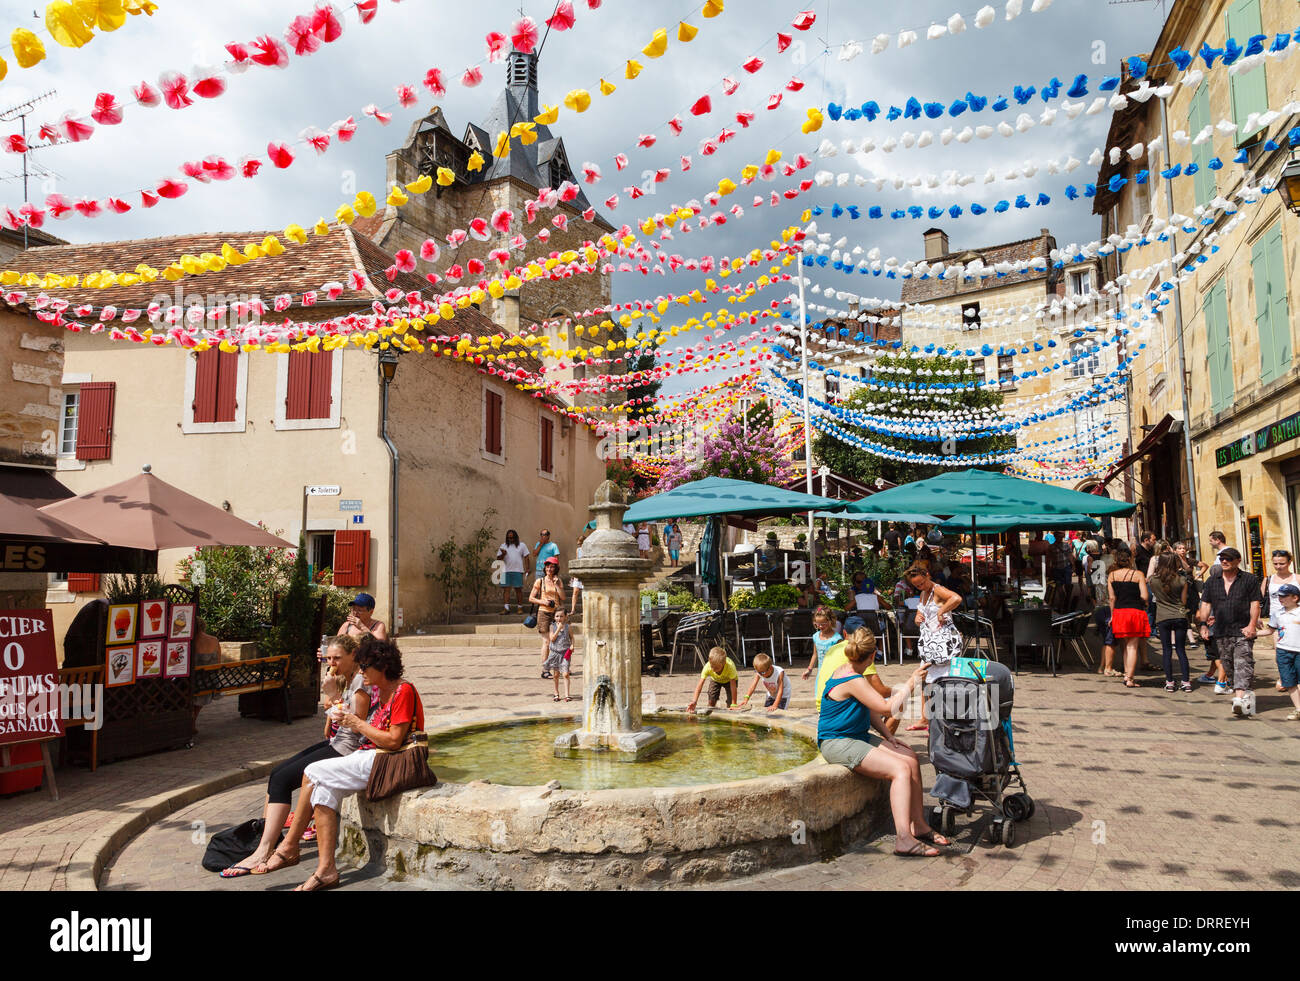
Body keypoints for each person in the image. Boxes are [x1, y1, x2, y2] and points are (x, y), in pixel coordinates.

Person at [220, 634, 373, 878]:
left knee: (283, 780)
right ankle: (266, 839)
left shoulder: (360, 684)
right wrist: (332, 698)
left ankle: (265, 850)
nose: (332, 662)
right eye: (329, 657)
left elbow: (357, 725)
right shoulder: (347, 678)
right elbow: (338, 718)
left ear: (353, 656)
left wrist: (331, 697)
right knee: (277, 774)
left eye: (337, 658)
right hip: (337, 741)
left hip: (347, 749)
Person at [298, 640, 425, 890]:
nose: (361, 671)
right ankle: (326, 870)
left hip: (389, 760)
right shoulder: (381, 690)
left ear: (383, 666)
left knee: (312, 771)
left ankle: (289, 847)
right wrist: (345, 714)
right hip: (371, 755)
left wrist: (356, 724)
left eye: (365, 666)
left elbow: (393, 740)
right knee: (324, 789)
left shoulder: (403, 691)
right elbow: (370, 732)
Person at [817, 628, 942, 856]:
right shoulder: (852, 679)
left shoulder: (851, 671)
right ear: (873, 655)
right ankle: (904, 838)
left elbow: (871, 708)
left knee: (910, 758)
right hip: (837, 742)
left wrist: (889, 736)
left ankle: (919, 825)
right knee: (900, 769)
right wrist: (911, 682)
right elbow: (885, 707)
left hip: (857, 736)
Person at [1197, 548, 1261, 717]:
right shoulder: (1212, 581)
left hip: (1242, 629)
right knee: (1228, 665)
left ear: (1238, 560)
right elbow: (1206, 604)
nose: (1224, 561)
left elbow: (1255, 604)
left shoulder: (1249, 579)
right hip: (1221, 630)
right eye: (1222, 559)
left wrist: (1252, 625)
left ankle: (1239, 698)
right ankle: (1245, 694)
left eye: (1228, 559)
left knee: (1243, 662)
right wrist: (1203, 624)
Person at [906, 563, 963, 731]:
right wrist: (918, 617)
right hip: (930, 644)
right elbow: (920, 612)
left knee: (942, 682)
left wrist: (941, 611)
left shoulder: (937, 590)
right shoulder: (924, 593)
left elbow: (956, 598)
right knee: (926, 681)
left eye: (921, 583)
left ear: (927, 575)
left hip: (941, 644)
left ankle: (942, 721)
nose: (919, 587)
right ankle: (925, 718)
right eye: (916, 585)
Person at [1107, 545, 1149, 688]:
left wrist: (1112, 616)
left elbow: (1111, 598)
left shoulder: (1112, 576)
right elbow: (1144, 596)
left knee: (1125, 646)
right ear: (1130, 559)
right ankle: (1130, 678)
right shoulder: (1138, 574)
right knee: (1132, 647)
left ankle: (1126, 674)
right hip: (1135, 612)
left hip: (1119, 612)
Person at [1150, 552, 1191, 692]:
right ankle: (1186, 682)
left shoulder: (1153, 581)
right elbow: (1184, 601)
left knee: (1166, 650)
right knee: (1181, 650)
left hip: (1162, 617)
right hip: (1180, 615)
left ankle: (1170, 682)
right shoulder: (1182, 580)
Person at [528, 558, 566, 677]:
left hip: (557, 613)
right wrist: (543, 602)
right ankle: (545, 669)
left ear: (556, 568)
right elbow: (531, 598)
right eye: (547, 567)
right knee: (546, 641)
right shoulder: (540, 581)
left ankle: (561, 666)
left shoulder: (558, 581)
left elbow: (563, 597)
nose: (549, 569)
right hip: (543, 612)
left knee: (559, 640)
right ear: (545, 568)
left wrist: (556, 585)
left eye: (552, 567)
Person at [1271, 583, 1300, 721]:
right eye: (1279, 596)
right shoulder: (1277, 614)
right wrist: (1251, 632)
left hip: (1299, 651)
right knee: (1289, 682)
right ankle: (1298, 709)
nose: (1281, 599)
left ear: (1295, 598)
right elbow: (1271, 630)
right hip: (1283, 651)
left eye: (1284, 596)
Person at [191, 617, 222, 725]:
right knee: (201, 692)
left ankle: (191, 721)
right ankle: (192, 721)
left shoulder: (191, 642)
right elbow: (218, 663)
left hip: (194, 682)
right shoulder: (214, 640)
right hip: (211, 681)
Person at [687, 647, 739, 711]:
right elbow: (699, 686)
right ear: (709, 661)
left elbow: (733, 687)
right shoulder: (707, 667)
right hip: (715, 680)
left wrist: (734, 704)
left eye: (716, 668)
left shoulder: (730, 667)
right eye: (712, 666)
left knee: (730, 703)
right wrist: (694, 701)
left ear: (724, 664)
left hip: (729, 681)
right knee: (711, 700)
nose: (713, 670)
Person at [801, 605, 842, 682]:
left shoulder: (836, 639)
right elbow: (815, 654)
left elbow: (841, 658)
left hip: (834, 675)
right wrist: (809, 669)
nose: (820, 626)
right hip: (821, 675)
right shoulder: (816, 636)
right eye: (817, 624)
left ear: (830, 621)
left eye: (823, 624)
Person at [543, 608, 574, 702]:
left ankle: (567, 694)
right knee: (556, 675)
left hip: (565, 653)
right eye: (557, 616)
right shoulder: (552, 626)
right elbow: (552, 639)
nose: (559, 618)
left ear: (565, 617)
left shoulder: (568, 627)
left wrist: (572, 645)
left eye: (561, 616)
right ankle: (556, 693)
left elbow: (572, 637)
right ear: (554, 617)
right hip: (555, 653)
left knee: (565, 674)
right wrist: (559, 629)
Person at [497, 529, 530, 614]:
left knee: (518, 589)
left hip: (518, 570)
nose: (510, 539)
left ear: (516, 537)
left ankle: (520, 608)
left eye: (512, 538)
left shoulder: (522, 545)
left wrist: (527, 568)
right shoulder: (503, 546)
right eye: (508, 538)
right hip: (505, 571)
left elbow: (526, 557)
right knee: (506, 590)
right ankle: (506, 608)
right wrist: (503, 554)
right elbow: (498, 559)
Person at [569, 534, 585, 615]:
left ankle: (584, 610)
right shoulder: (578, 550)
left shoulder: (588, 550)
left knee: (584, 592)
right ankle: (573, 610)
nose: (579, 545)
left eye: (580, 543)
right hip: (578, 572)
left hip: (584, 572)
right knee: (575, 591)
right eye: (578, 544)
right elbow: (576, 560)